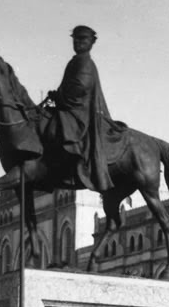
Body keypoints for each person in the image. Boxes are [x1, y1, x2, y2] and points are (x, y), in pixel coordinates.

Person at [43, 26, 123, 192]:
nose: (78, 43)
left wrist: (61, 98)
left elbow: (81, 87)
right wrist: (57, 95)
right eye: (75, 39)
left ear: (91, 43)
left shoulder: (85, 63)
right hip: (72, 106)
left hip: (81, 110)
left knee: (59, 127)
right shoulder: (76, 61)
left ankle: (70, 164)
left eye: (82, 39)